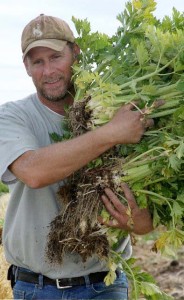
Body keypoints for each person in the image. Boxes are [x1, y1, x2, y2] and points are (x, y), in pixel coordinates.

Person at [0, 14, 154, 300]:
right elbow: (33, 172)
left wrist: (139, 222)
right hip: (37, 288)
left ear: (76, 53)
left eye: (56, 57)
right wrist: (111, 133)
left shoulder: (116, 111)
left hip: (105, 286)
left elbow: (146, 222)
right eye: (37, 62)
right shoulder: (11, 116)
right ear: (26, 67)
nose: (48, 71)